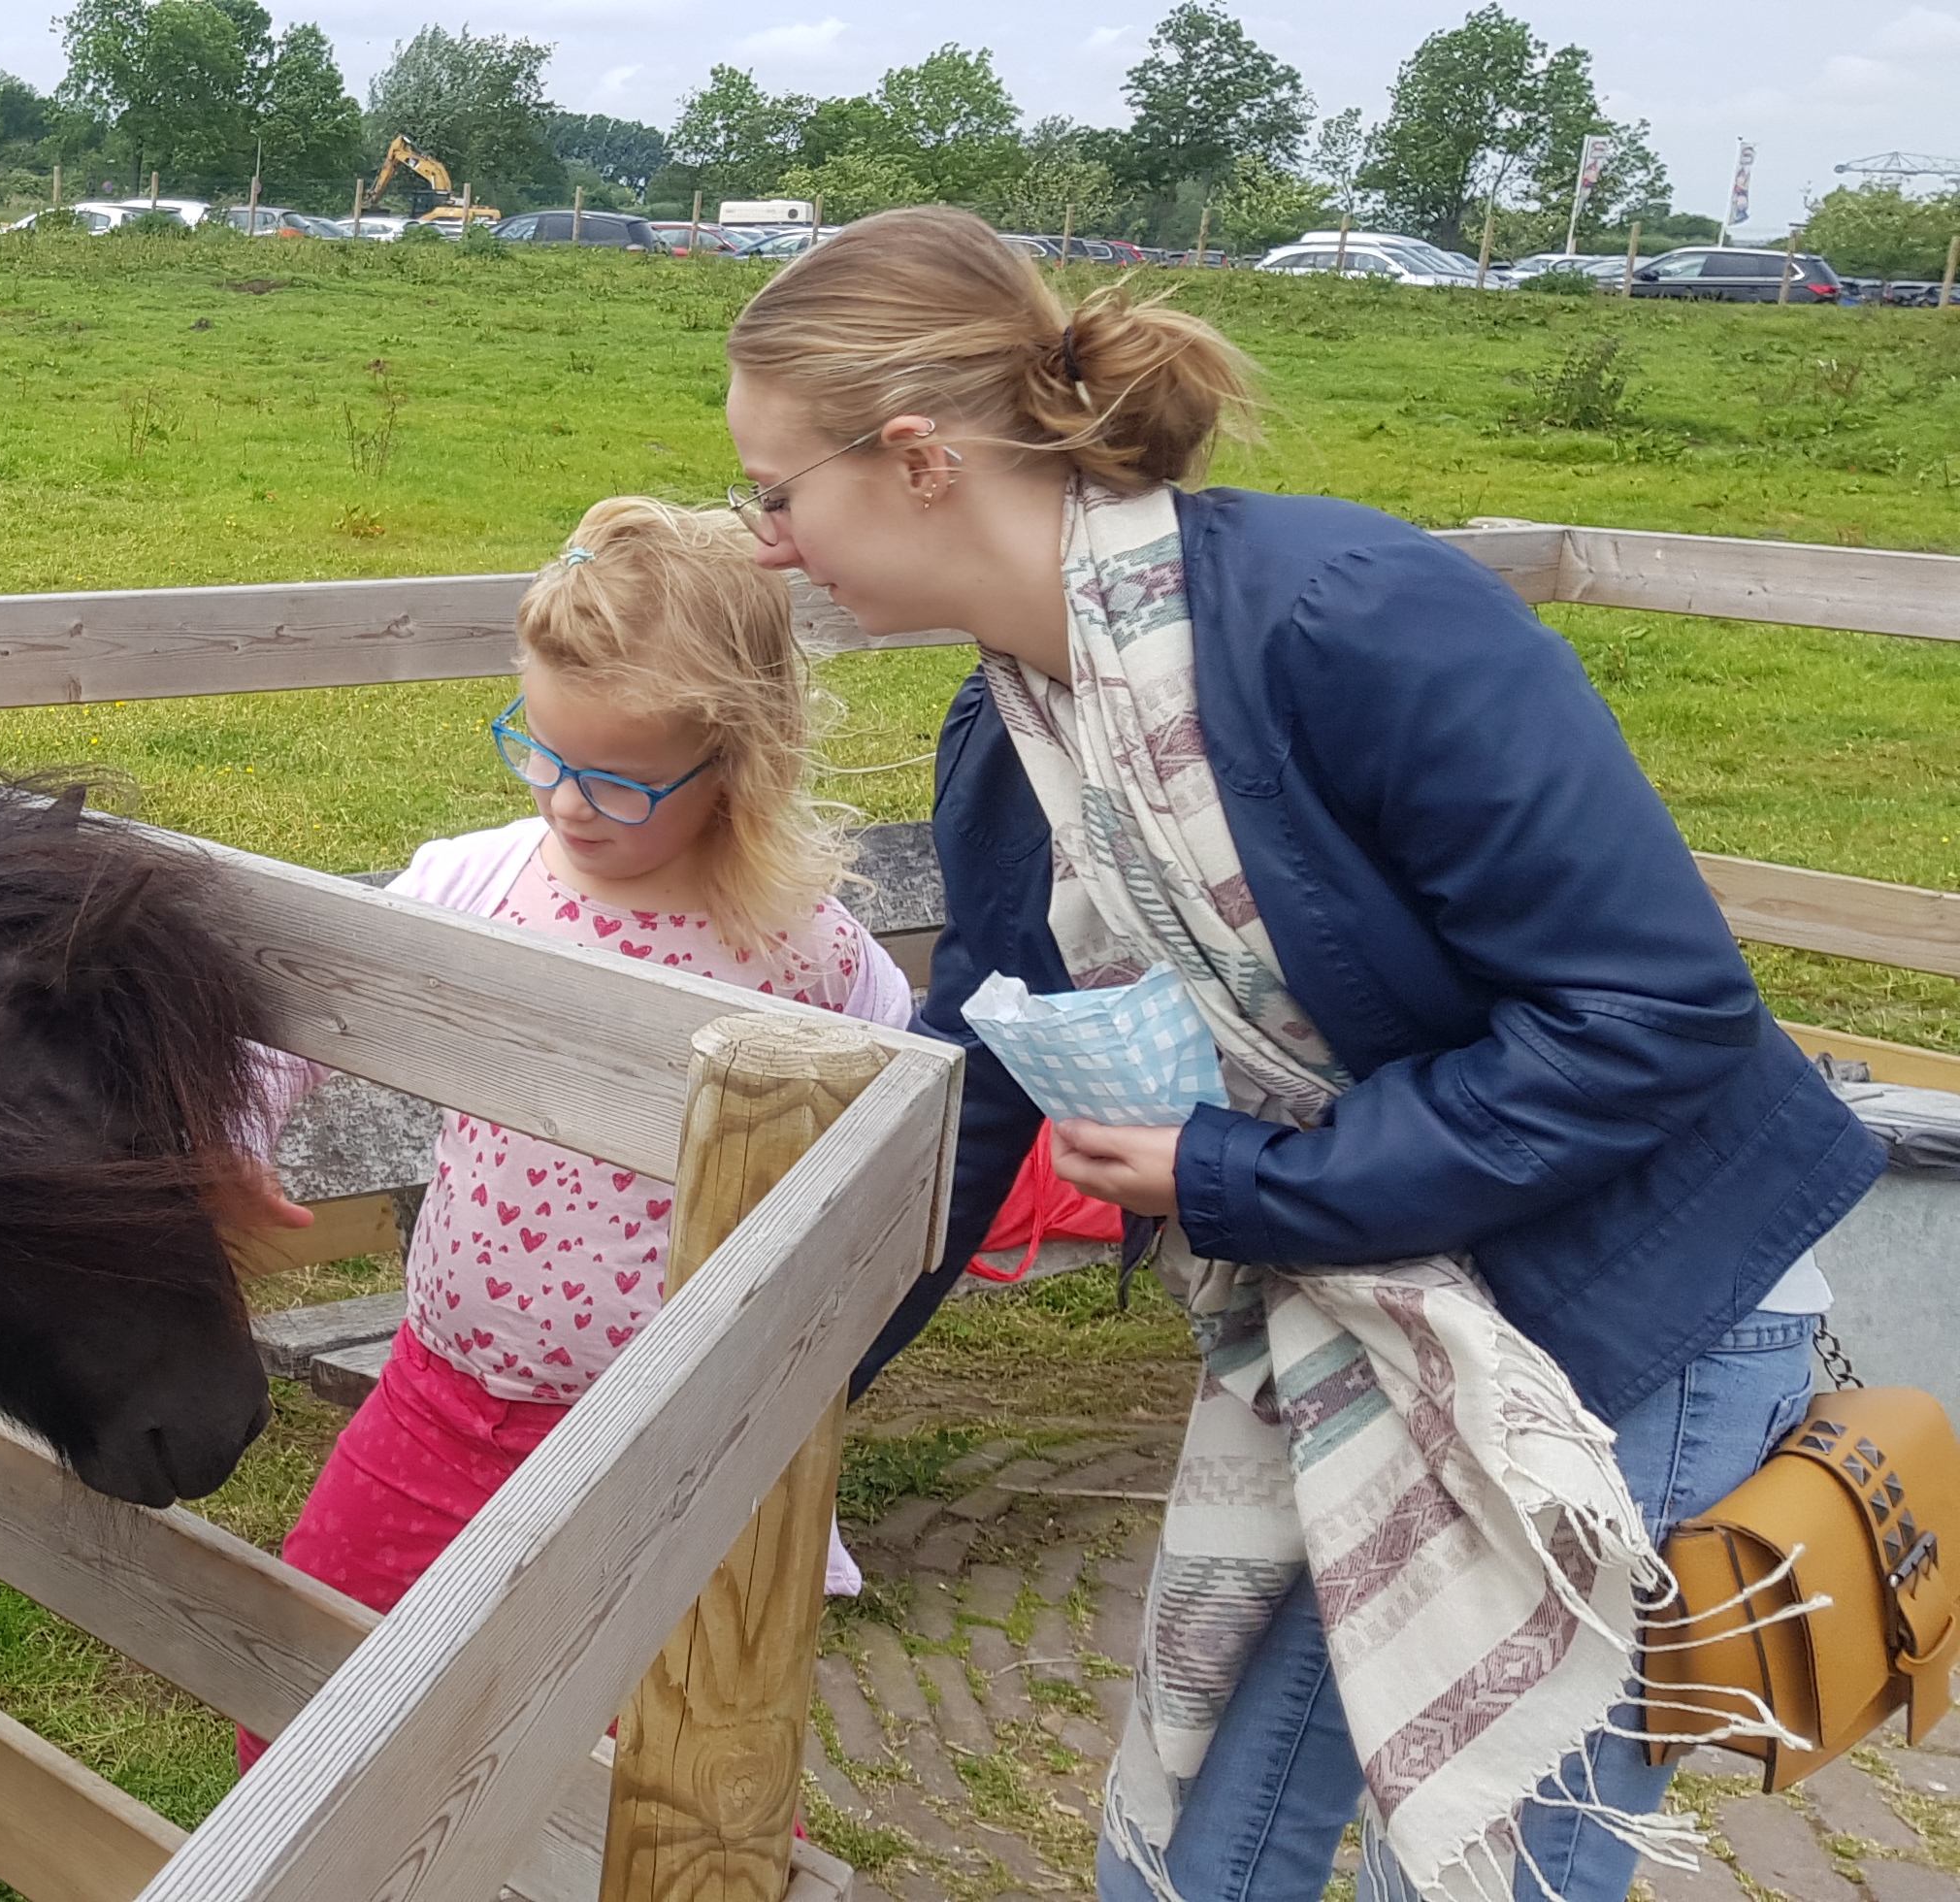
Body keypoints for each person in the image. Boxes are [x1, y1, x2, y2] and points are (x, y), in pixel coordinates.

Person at [719, 206, 1877, 1902]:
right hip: (1355, 1318)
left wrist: (1248, 1181)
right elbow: (973, 1095)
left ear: (912, 459)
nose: (764, 542)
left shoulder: (1352, 615)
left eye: (774, 491)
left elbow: (1655, 1016)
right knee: (1203, 1845)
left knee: (1498, 1858)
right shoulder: (1010, 730)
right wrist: (771, 1385)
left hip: (1631, 1304)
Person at [231, 496, 913, 1763]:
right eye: (536, 747)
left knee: (639, 1764)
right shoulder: (477, 883)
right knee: (306, 1704)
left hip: (655, 1447)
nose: (565, 801)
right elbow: (302, 1002)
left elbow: (892, 1138)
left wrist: (787, 1404)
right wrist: (240, 1135)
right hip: (434, 1395)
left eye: (616, 777)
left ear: (738, 761)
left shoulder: (806, 957)